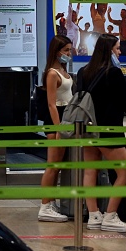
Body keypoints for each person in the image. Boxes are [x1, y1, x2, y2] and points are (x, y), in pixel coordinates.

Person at [79, 34, 126, 232]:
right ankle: (110, 215)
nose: (120, 52)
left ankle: (93, 215)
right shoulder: (114, 73)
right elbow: (125, 103)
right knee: (125, 172)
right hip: (110, 128)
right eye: (118, 49)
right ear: (110, 50)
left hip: (88, 128)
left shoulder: (83, 71)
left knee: (90, 170)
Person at [37, 35, 73, 222]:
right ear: (57, 51)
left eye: (70, 49)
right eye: (66, 50)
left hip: (65, 119)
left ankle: (50, 202)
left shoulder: (64, 71)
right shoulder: (52, 73)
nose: (69, 53)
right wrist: (58, 129)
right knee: (52, 165)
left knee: (57, 166)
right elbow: (51, 104)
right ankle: (44, 206)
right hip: (56, 121)